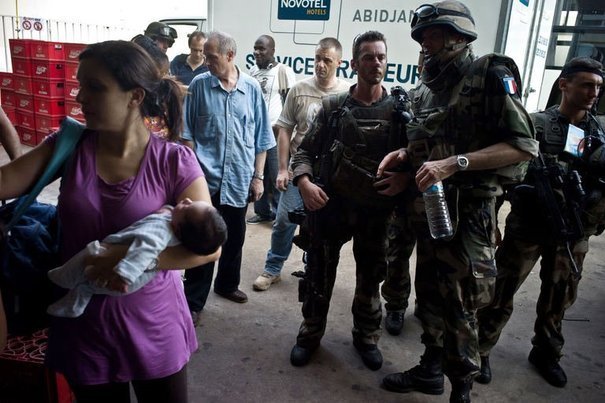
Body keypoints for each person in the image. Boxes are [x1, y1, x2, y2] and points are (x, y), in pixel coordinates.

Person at [0, 40, 220, 402]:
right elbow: (6, 182)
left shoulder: (174, 161)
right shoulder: (68, 146)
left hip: (153, 324)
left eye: (95, 87)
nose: (80, 96)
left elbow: (210, 249)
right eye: (80, 84)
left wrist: (126, 264)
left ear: (134, 96)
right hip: (84, 326)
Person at [377, 2, 539, 402]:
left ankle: (460, 388)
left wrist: (456, 163)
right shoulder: (430, 87)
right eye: (422, 38)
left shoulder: (488, 74)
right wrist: (404, 156)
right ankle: (430, 370)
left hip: (469, 213)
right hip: (433, 212)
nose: (424, 44)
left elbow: (524, 146)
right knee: (430, 294)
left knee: (463, 302)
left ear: (458, 36)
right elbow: (430, 142)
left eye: (431, 35)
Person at [476, 57, 604, 388]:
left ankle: (546, 353)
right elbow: (504, 173)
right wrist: (493, 220)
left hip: (572, 230)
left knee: (558, 298)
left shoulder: (598, 132)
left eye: (598, 87)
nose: (593, 92)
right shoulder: (534, 124)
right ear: (564, 84)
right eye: (586, 84)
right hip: (528, 226)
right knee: (500, 291)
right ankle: (481, 349)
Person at [288, 31, 411, 371]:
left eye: (381, 56)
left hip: (377, 211)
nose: (376, 63)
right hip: (332, 208)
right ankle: (310, 332)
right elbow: (304, 153)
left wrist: (404, 178)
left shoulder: (401, 111)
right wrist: (304, 183)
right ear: (355, 64)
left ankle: (366, 336)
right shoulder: (333, 107)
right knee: (318, 275)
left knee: (371, 279)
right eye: (368, 57)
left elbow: (418, 159)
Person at [182, 31, 275, 321]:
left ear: (230, 56)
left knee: (234, 238)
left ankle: (226, 285)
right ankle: (194, 302)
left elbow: (262, 138)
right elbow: (187, 136)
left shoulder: (251, 89)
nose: (205, 62)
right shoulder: (199, 86)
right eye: (205, 56)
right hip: (205, 181)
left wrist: (258, 177)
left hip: (238, 180)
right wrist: (191, 176)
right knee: (202, 240)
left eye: (211, 57)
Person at [252, 37, 350, 291]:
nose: (320, 64)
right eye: (317, 58)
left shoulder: (347, 94)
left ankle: (313, 269)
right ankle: (273, 268)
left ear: (339, 62)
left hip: (331, 174)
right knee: (284, 219)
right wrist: (283, 168)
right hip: (299, 169)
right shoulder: (300, 89)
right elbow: (284, 129)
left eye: (327, 60)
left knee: (323, 226)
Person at [47, 199, 227, 318]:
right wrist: (167, 211)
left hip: (124, 277)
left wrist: (125, 275)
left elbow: (146, 250)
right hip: (129, 277)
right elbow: (171, 215)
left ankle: (62, 277)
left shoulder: (161, 232)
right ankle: (75, 305)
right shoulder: (176, 225)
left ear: (178, 228)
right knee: (88, 285)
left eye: (187, 207)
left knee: (89, 257)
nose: (187, 200)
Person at [247, 35, 297, 225]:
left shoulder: (283, 71)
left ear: (272, 51)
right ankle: (262, 212)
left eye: (262, 49)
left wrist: (285, 129)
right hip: (255, 134)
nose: (257, 52)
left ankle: (278, 214)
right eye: (255, 48)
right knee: (257, 174)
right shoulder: (251, 72)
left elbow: (289, 103)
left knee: (276, 174)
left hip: (275, 134)